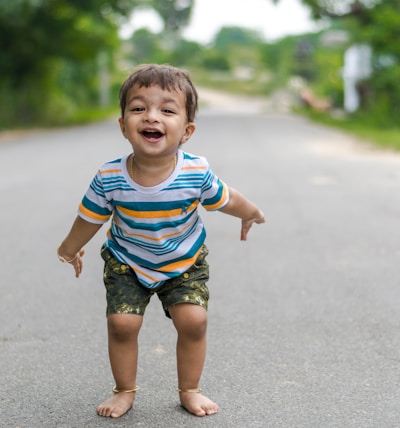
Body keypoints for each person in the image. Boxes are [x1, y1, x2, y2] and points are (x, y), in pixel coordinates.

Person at [57, 63, 265, 419]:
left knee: (194, 321)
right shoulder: (109, 176)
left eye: (167, 110)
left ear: (187, 130)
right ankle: (124, 391)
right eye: (138, 108)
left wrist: (250, 212)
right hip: (127, 261)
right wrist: (68, 248)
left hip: (184, 261)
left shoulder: (194, 172)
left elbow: (226, 198)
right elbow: (89, 217)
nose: (151, 117)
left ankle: (190, 390)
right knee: (122, 324)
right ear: (123, 126)